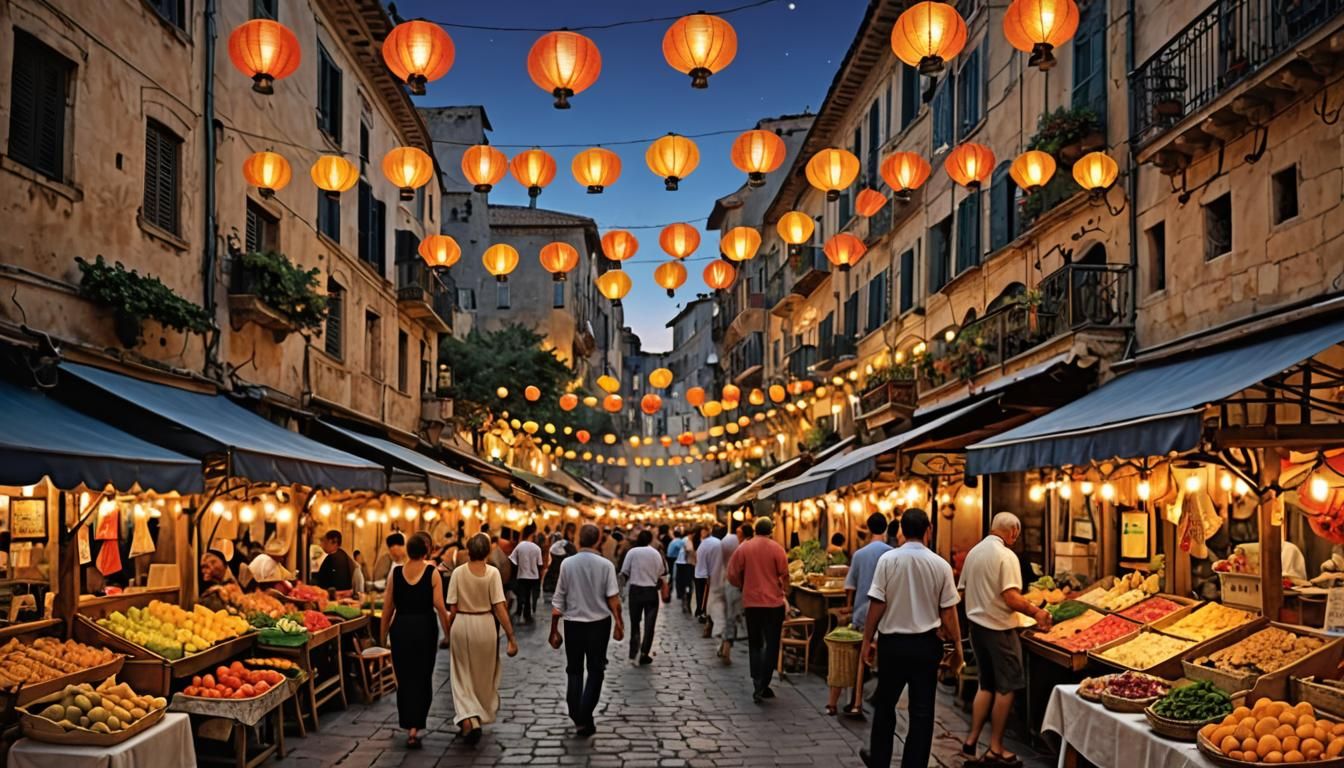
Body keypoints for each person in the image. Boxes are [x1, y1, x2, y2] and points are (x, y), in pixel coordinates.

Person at [860, 509, 963, 768]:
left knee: (885, 705)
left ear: (902, 532)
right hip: (926, 646)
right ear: (929, 529)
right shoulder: (941, 565)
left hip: (892, 645)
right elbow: (949, 612)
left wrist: (867, 640)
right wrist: (958, 647)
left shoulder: (888, 560)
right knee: (922, 711)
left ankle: (880, 760)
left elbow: (877, 603)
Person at [959, 512, 1051, 765]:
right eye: (1016, 535)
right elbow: (1010, 597)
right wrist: (1036, 611)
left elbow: (963, 591)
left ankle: (971, 741)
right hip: (999, 629)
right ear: (1012, 532)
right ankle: (996, 748)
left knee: (986, 685)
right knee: (1007, 687)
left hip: (976, 627)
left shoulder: (974, 553)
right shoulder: (1006, 556)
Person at [379, 532, 452, 749]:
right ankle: (415, 727)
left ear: (408, 550)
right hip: (424, 628)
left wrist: (382, 638)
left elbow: (387, 609)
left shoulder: (396, 573)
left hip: (400, 629)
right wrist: (448, 634)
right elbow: (440, 606)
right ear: (426, 551)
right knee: (422, 676)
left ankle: (408, 721)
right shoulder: (432, 573)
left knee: (404, 677)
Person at [550, 524, 623, 737]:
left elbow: (558, 599)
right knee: (595, 669)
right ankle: (584, 714)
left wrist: (554, 629)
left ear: (579, 539)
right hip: (599, 624)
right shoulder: (606, 565)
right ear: (598, 539)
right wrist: (619, 623)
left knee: (574, 669)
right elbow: (613, 599)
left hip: (573, 623)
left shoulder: (567, 564)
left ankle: (577, 714)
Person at [446, 533, 518, 744]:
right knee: (482, 675)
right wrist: (511, 636)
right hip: (486, 626)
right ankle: (473, 718)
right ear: (487, 551)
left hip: (462, 623)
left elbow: (453, 607)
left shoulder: (458, 573)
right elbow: (499, 607)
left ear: (468, 550)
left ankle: (470, 719)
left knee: (461, 675)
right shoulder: (493, 573)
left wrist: (449, 628)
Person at [832, 512, 893, 716]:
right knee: (883, 653)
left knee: (859, 655)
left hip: (862, 611)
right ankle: (877, 694)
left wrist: (849, 606)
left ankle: (854, 700)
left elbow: (850, 585)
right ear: (885, 529)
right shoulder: (892, 553)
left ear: (867, 528)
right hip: (886, 611)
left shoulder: (859, 554)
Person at [726, 517, 790, 704]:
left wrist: (743, 585)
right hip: (773, 604)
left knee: (755, 643)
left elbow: (732, 574)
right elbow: (785, 575)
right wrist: (785, 591)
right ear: (770, 530)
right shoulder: (777, 549)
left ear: (755, 530)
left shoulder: (744, 548)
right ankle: (764, 682)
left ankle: (757, 681)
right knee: (771, 643)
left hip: (752, 603)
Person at [619, 529, 666, 665]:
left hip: (636, 591)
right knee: (649, 625)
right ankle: (644, 652)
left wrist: (620, 592)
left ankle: (634, 653)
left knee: (635, 623)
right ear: (651, 539)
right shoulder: (655, 553)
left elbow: (624, 572)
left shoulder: (632, 552)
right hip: (651, 591)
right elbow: (661, 572)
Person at [717, 521, 749, 663]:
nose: (737, 535)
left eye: (739, 533)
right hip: (735, 587)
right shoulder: (742, 547)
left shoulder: (743, 548)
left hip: (734, 586)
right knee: (732, 617)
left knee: (731, 617)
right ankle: (725, 648)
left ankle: (725, 648)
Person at [510, 525, 544, 624]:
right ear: (532, 535)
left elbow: (513, 560)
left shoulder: (520, 546)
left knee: (521, 594)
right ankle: (527, 615)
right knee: (528, 595)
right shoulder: (537, 548)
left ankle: (519, 613)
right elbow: (540, 564)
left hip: (522, 575)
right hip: (534, 577)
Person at [698, 524, 726, 639]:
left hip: (711, 577)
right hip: (723, 577)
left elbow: (701, 562)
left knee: (710, 602)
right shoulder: (722, 544)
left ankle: (709, 624)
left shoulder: (705, 544)